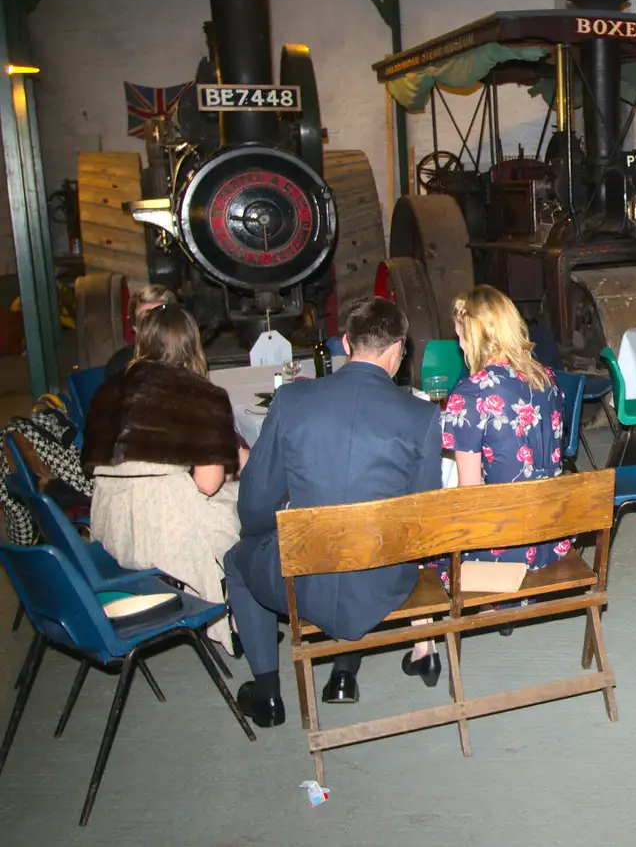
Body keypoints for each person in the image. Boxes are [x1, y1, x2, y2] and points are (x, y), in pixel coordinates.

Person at [223, 297, 443, 728]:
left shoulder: (290, 401)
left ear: (346, 343)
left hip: (303, 581)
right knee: (356, 548)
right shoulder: (422, 415)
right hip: (381, 582)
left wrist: (264, 534)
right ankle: (343, 673)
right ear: (399, 350)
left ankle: (267, 693)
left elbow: (256, 504)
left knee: (239, 558)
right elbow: (422, 523)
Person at [402, 286, 569, 687]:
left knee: (414, 534)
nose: (459, 343)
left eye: (461, 334)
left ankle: (424, 648)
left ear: (475, 336)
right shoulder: (546, 377)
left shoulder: (471, 395)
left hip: (504, 553)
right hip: (551, 539)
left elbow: (470, 497)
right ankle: (499, 609)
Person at [83, 304, 242, 644]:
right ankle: (243, 613)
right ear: (192, 344)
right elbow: (209, 484)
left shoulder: (106, 392)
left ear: (142, 342)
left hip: (111, 528)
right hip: (165, 532)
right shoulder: (202, 394)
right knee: (251, 505)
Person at [104, 284, 177, 376]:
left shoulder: (188, 358)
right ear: (135, 327)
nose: (152, 326)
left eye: (159, 317)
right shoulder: (120, 366)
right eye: (144, 319)